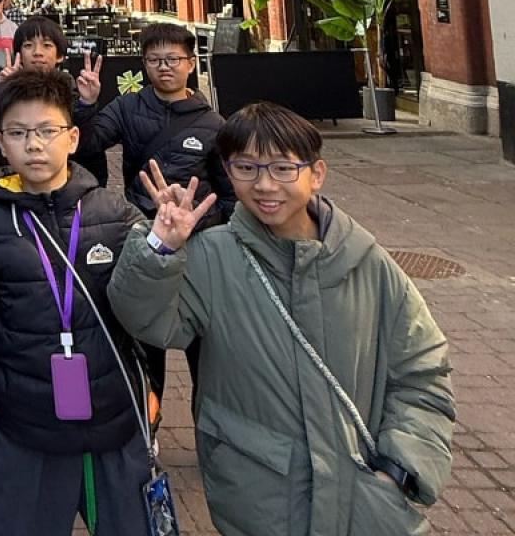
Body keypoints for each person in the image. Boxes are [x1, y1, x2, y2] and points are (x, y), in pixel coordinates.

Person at [108, 102, 455, 536]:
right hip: (260, 500)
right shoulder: (213, 256)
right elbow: (148, 320)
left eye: (283, 168)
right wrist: (160, 247)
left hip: (365, 503)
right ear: (228, 172)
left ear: (317, 173)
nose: (265, 184)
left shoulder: (367, 262)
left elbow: (423, 370)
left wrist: (401, 468)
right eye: (246, 168)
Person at [0, 70, 151, 536]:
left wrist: (164, 249)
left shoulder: (114, 214)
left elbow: (149, 311)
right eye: (19, 133)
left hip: (111, 418)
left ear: (73, 138)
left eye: (47, 131)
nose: (34, 145)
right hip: (23, 421)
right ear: (2, 144)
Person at [0, 16, 109, 463]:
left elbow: (93, 153)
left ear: (59, 54)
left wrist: (87, 105)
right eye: (29, 44)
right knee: (2, 312)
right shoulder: (4, 90)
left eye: (46, 45)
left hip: (68, 214)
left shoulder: (77, 93)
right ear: (17, 50)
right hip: (10, 208)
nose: (38, 52)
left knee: (70, 309)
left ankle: (80, 394)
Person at [72, 21, 235, 412]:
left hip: (198, 250)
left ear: (191, 63)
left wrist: (204, 225)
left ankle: (209, 426)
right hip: (145, 242)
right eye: (155, 59)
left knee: (205, 351)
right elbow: (87, 143)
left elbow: (229, 196)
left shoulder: (214, 124)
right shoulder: (128, 107)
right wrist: (87, 105)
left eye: (173, 59)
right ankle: (150, 426)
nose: (165, 67)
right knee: (144, 347)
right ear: (144, 64)